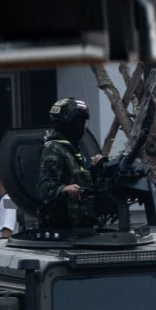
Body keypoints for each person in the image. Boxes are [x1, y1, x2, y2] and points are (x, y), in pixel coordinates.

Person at [38, 97, 102, 229]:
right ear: (72, 123)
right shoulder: (54, 149)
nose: (83, 126)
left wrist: (95, 170)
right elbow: (46, 188)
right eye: (81, 121)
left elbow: (79, 182)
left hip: (81, 227)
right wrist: (64, 190)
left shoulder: (72, 149)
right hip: (65, 231)